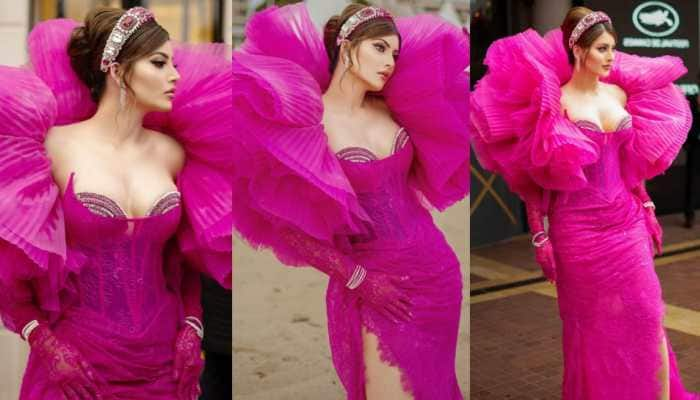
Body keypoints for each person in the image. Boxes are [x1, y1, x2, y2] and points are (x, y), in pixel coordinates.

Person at [232, 3, 468, 399]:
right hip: (375, 284)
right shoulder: (308, 121)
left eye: (395, 53)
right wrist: (361, 280)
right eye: (379, 48)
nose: (390, 62)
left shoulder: (395, 108)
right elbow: (288, 228)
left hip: (438, 274)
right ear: (346, 46)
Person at [0, 7, 232, 400]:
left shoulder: (174, 153)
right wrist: (47, 346)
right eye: (159, 63)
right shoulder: (53, 147)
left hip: (165, 367)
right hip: (78, 368)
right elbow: (8, 267)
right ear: (115, 67)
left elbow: (186, 260)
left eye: (173, 63)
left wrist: (193, 329)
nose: (175, 76)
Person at [471, 7, 696, 400]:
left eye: (614, 48)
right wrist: (540, 236)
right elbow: (534, 180)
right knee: (593, 328)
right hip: (577, 231)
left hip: (626, 224)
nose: (612, 57)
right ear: (578, 50)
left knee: (647, 317)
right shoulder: (554, 103)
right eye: (604, 49)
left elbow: (631, 163)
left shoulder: (620, 93)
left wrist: (645, 205)